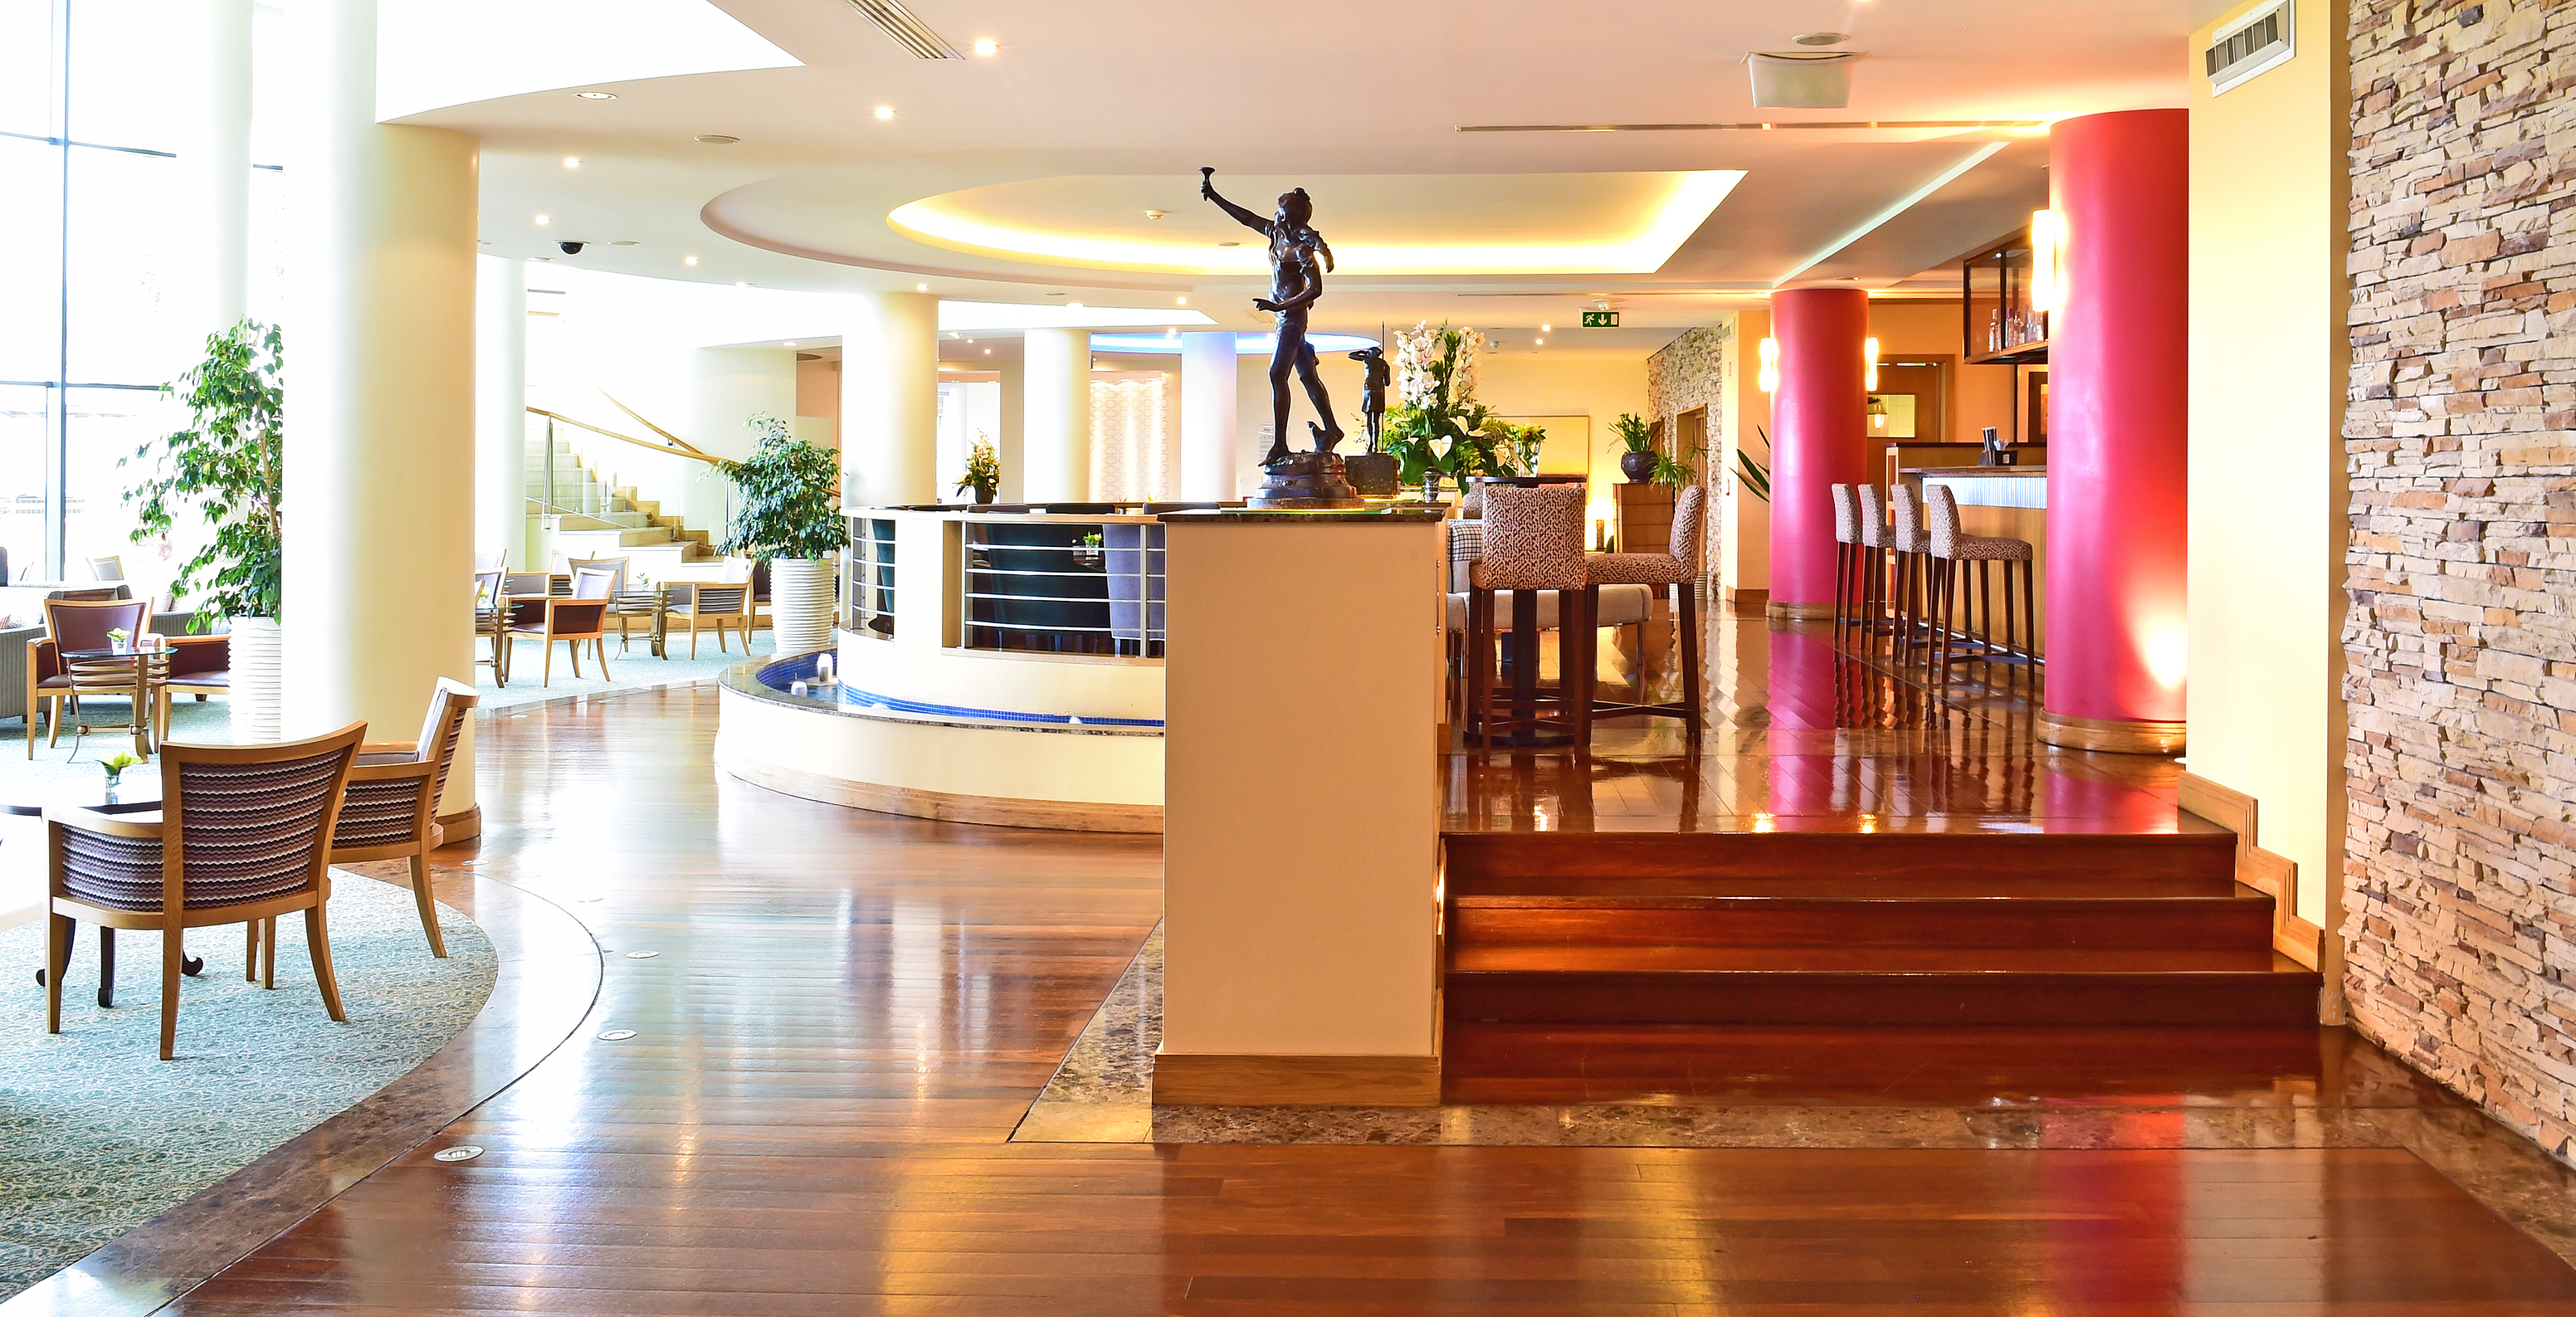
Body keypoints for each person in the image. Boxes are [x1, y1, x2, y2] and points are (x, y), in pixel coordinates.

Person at [1201, 169, 1342, 464]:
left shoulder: (1301, 251)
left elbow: (1315, 289)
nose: (1275, 213)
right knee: (1307, 375)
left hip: (1292, 319)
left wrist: (1280, 307)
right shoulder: (1276, 234)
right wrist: (1213, 196)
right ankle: (1332, 429)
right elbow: (1246, 218)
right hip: (1285, 319)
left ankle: (1279, 444)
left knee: (1277, 374)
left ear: (1290, 215)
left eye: (1280, 208)